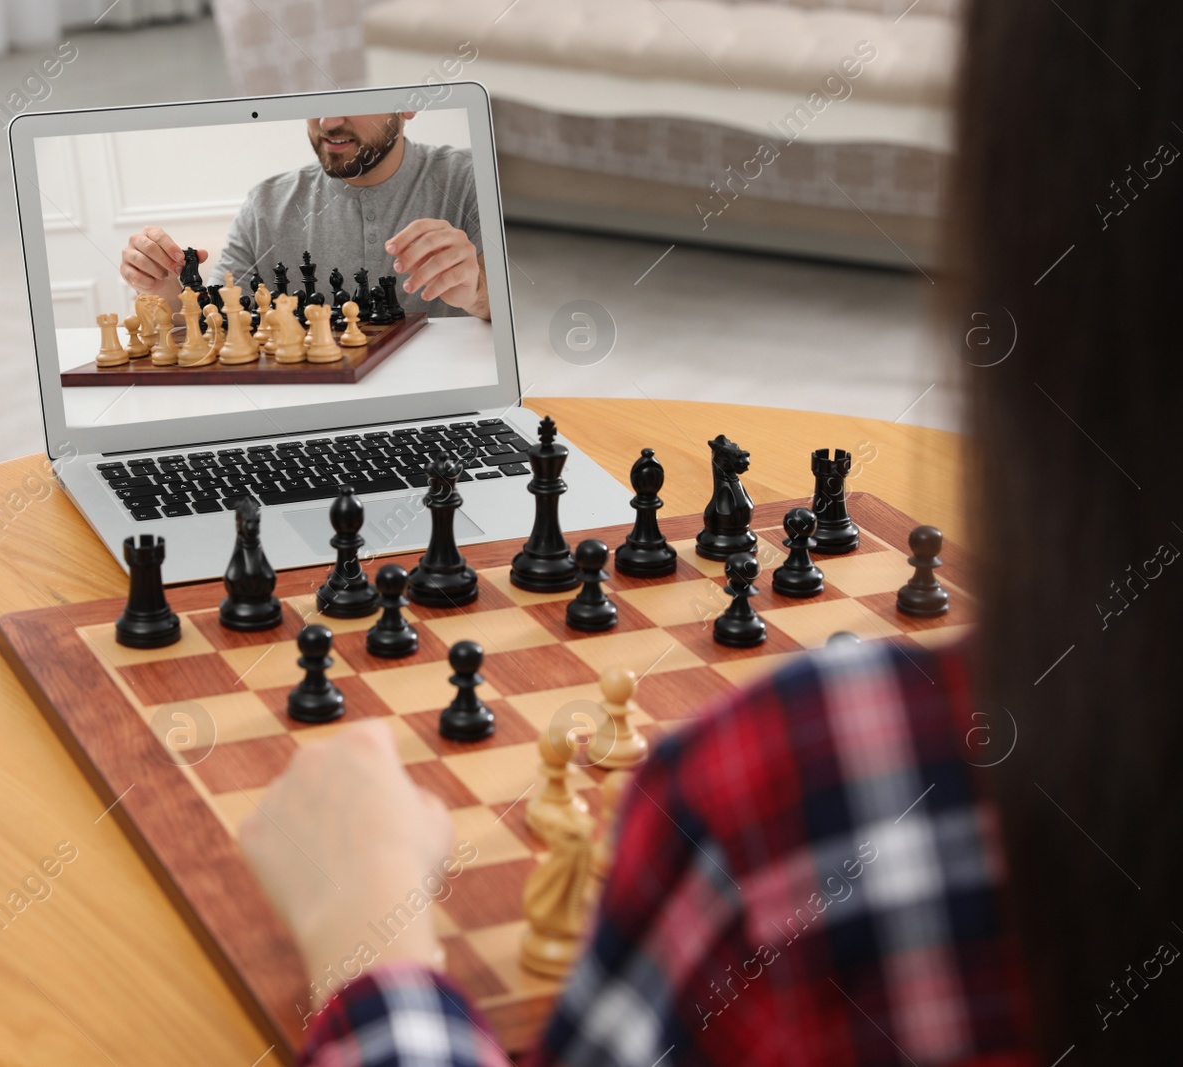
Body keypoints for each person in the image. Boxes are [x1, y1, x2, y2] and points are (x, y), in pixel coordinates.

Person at [238, 0, 1183, 1062]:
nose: (332, 132)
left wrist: (370, 945)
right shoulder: (269, 200)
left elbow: (504, 322)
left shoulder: (803, 790)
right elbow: (219, 315)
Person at [120, 113, 489, 321]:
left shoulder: (474, 177)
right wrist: (165, 290)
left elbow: (517, 313)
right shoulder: (265, 204)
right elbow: (213, 321)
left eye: (351, 97)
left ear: (406, 103)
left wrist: (476, 291)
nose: (329, 121)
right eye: (315, 99)